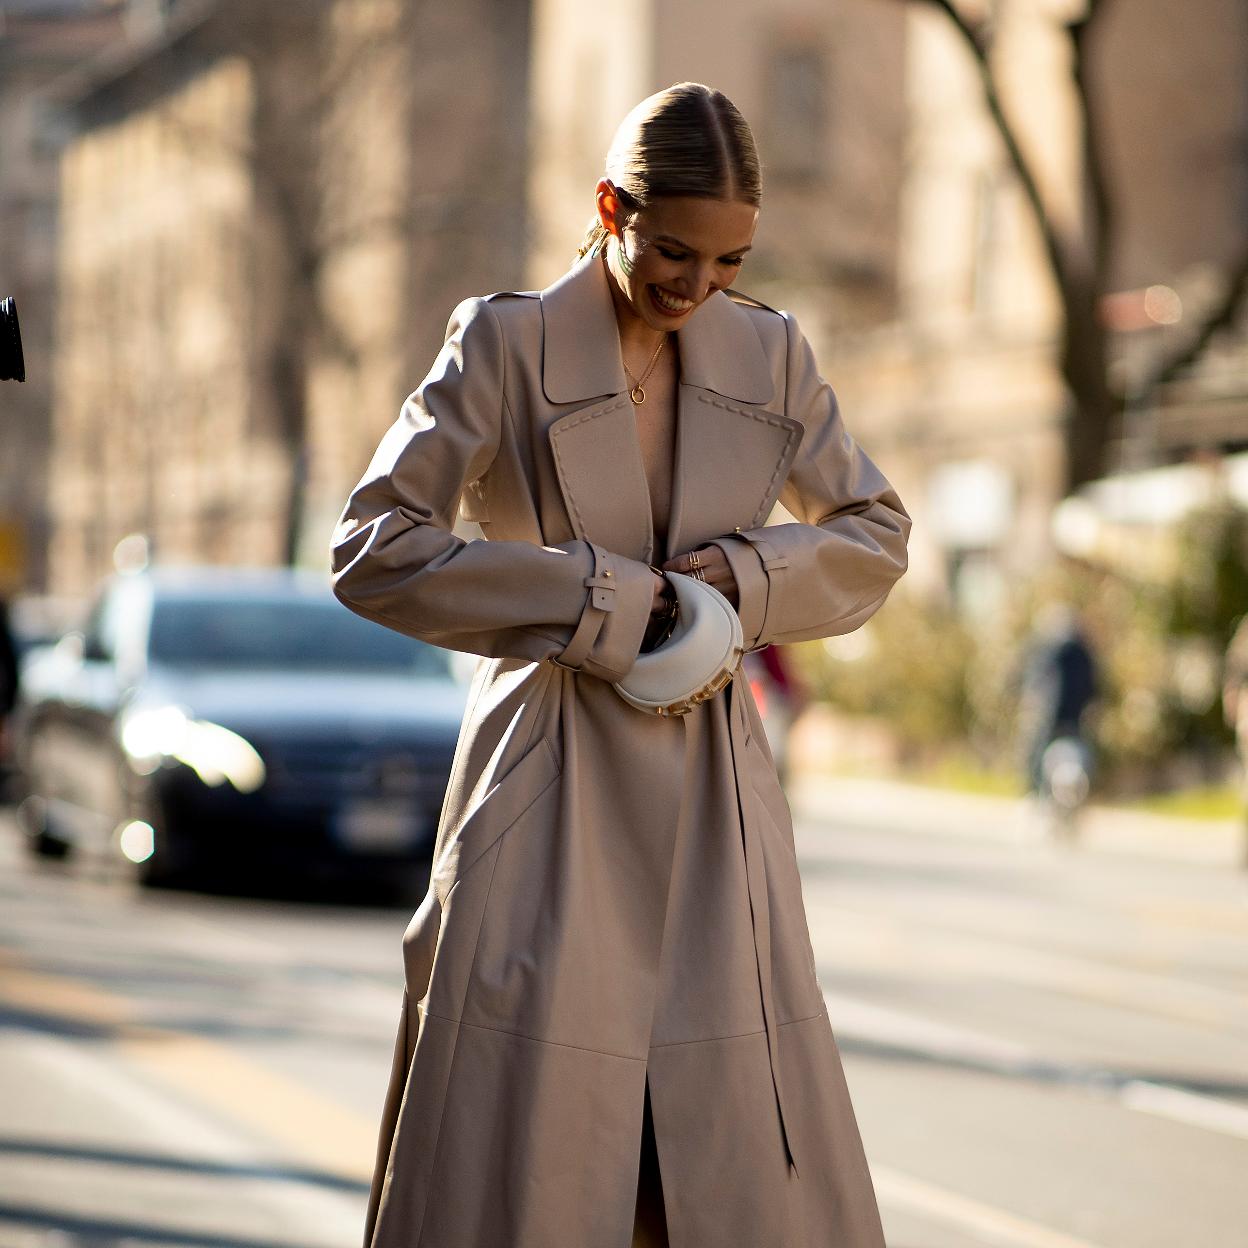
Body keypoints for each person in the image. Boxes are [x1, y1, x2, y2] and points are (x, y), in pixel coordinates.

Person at [331, 82, 911, 1248]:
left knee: (710, 1155)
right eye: (674, 251)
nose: (699, 287)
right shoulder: (504, 340)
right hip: (547, 780)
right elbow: (373, 547)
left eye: (734, 260)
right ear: (610, 207)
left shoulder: (772, 351)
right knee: (545, 1153)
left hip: (714, 789)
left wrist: (743, 581)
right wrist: (590, 594)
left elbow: (875, 534)